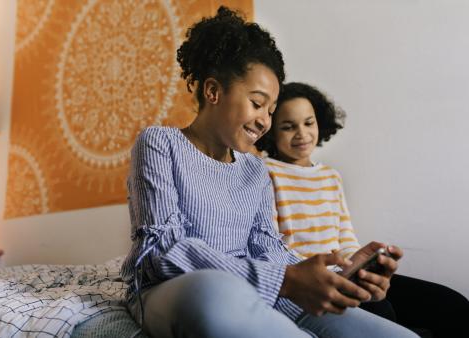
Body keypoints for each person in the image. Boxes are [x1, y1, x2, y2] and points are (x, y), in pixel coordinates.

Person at [121, 7, 419, 338]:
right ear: (213, 91)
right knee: (212, 292)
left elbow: (269, 250)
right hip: (172, 289)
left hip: (256, 288)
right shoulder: (160, 144)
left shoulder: (255, 170)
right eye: (257, 103)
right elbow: (162, 250)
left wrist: (340, 274)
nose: (265, 120)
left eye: (271, 110)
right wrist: (285, 280)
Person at [255, 81, 469, 337]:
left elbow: (345, 237)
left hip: (345, 272)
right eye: (288, 127)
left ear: (319, 123)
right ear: (270, 132)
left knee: (453, 305)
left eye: (308, 123)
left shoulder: (331, 177)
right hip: (312, 281)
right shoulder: (267, 173)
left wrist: (360, 265)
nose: (301, 133)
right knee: (382, 309)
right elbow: (270, 245)